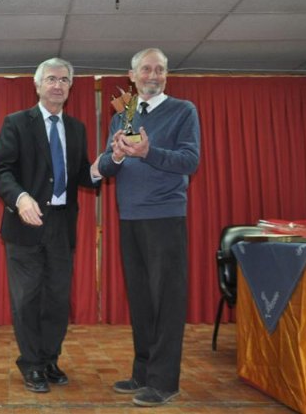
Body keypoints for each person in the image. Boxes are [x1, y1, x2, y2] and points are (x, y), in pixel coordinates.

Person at [96, 48, 200, 407]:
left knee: (167, 302)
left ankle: (164, 381)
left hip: (165, 217)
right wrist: (118, 155)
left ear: (166, 75)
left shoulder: (183, 110)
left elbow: (190, 160)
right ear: (132, 75)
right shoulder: (123, 115)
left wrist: (149, 153)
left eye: (159, 70)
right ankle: (142, 372)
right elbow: (107, 167)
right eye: (146, 69)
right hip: (129, 217)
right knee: (140, 299)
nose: (153, 75)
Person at [0, 58, 100, 393]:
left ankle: (50, 358)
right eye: (51, 79)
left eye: (64, 80)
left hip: (62, 224)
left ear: (69, 88)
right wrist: (20, 198)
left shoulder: (77, 128)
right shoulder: (16, 123)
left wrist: (109, 164)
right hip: (26, 224)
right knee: (26, 299)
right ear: (37, 85)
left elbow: (84, 174)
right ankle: (31, 363)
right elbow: (1, 171)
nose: (58, 85)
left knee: (56, 298)